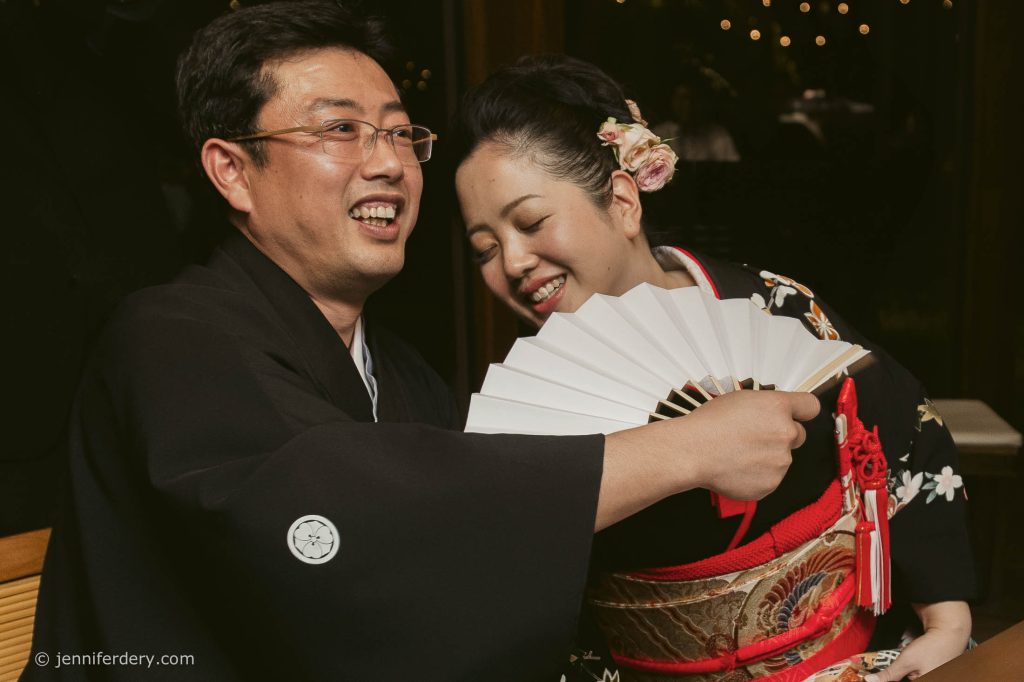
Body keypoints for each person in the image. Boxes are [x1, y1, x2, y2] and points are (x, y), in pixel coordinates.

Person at [24, 4, 820, 681]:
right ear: (232, 170)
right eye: (341, 129)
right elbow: (346, 517)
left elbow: (470, 569)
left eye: (402, 134)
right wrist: (682, 450)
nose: (389, 163)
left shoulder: (403, 375)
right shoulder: (165, 341)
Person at [453, 54, 975, 682]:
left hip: (847, 658)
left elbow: (905, 426)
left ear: (622, 201)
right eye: (484, 249)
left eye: (531, 222)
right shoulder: (534, 403)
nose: (512, 262)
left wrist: (947, 621)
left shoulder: (772, 308)